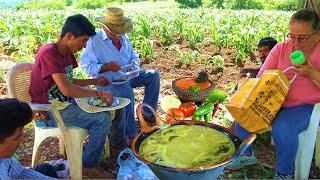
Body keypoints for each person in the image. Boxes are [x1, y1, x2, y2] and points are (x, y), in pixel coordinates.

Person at [29, 14, 127, 179]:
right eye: (83, 41)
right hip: (49, 111)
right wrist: (98, 92)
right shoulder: (48, 53)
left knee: (113, 109)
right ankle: (87, 166)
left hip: (65, 104)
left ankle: (109, 148)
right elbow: (67, 89)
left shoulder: (66, 53)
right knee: (102, 119)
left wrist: (94, 80)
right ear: (69, 36)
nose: (84, 45)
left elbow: (68, 80)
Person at [227, 9, 320, 179]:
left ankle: (285, 173)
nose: (296, 43)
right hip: (274, 101)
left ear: (317, 34)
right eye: (292, 36)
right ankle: (247, 156)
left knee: (283, 127)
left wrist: (313, 74)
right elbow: (262, 76)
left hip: (305, 106)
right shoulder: (281, 48)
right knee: (243, 111)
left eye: (302, 38)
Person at [80, 7, 160, 140]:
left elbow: (134, 56)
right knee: (126, 92)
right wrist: (106, 67)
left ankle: (148, 114)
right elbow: (86, 67)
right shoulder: (94, 41)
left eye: (120, 31)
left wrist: (134, 64)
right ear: (105, 27)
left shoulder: (123, 37)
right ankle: (131, 134)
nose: (118, 35)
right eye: (114, 32)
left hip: (127, 75)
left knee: (153, 75)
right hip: (108, 82)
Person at [0, 98, 51, 179]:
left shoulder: (4, 157)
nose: (22, 141)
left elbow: (21, 173)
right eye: (17, 137)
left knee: (46, 169)